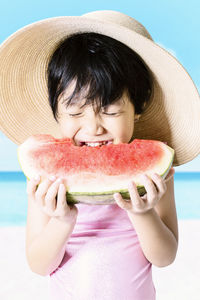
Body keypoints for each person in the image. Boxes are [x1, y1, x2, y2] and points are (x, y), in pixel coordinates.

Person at [0, 10, 200, 300]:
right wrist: (61, 221)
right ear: (57, 113)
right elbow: (39, 264)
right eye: (75, 112)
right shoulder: (48, 183)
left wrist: (142, 213)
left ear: (138, 106)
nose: (93, 127)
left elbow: (164, 257)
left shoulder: (154, 178)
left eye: (111, 111)